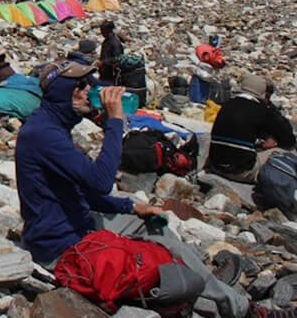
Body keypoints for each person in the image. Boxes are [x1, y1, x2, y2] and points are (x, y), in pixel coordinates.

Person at [16, 61, 262, 318]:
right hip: (63, 245)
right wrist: (115, 121)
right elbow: (100, 182)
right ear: (61, 93)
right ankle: (243, 308)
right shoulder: (43, 134)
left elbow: (84, 193)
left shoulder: (50, 127)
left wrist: (132, 207)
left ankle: (202, 280)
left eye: (91, 82)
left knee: (154, 222)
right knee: (167, 254)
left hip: (73, 225)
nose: (90, 89)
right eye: (81, 85)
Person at [208, 74, 295, 184]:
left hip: (215, 166)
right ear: (263, 94)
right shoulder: (261, 110)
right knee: (287, 151)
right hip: (240, 172)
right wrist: (270, 107)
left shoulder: (226, 105)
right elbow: (289, 141)